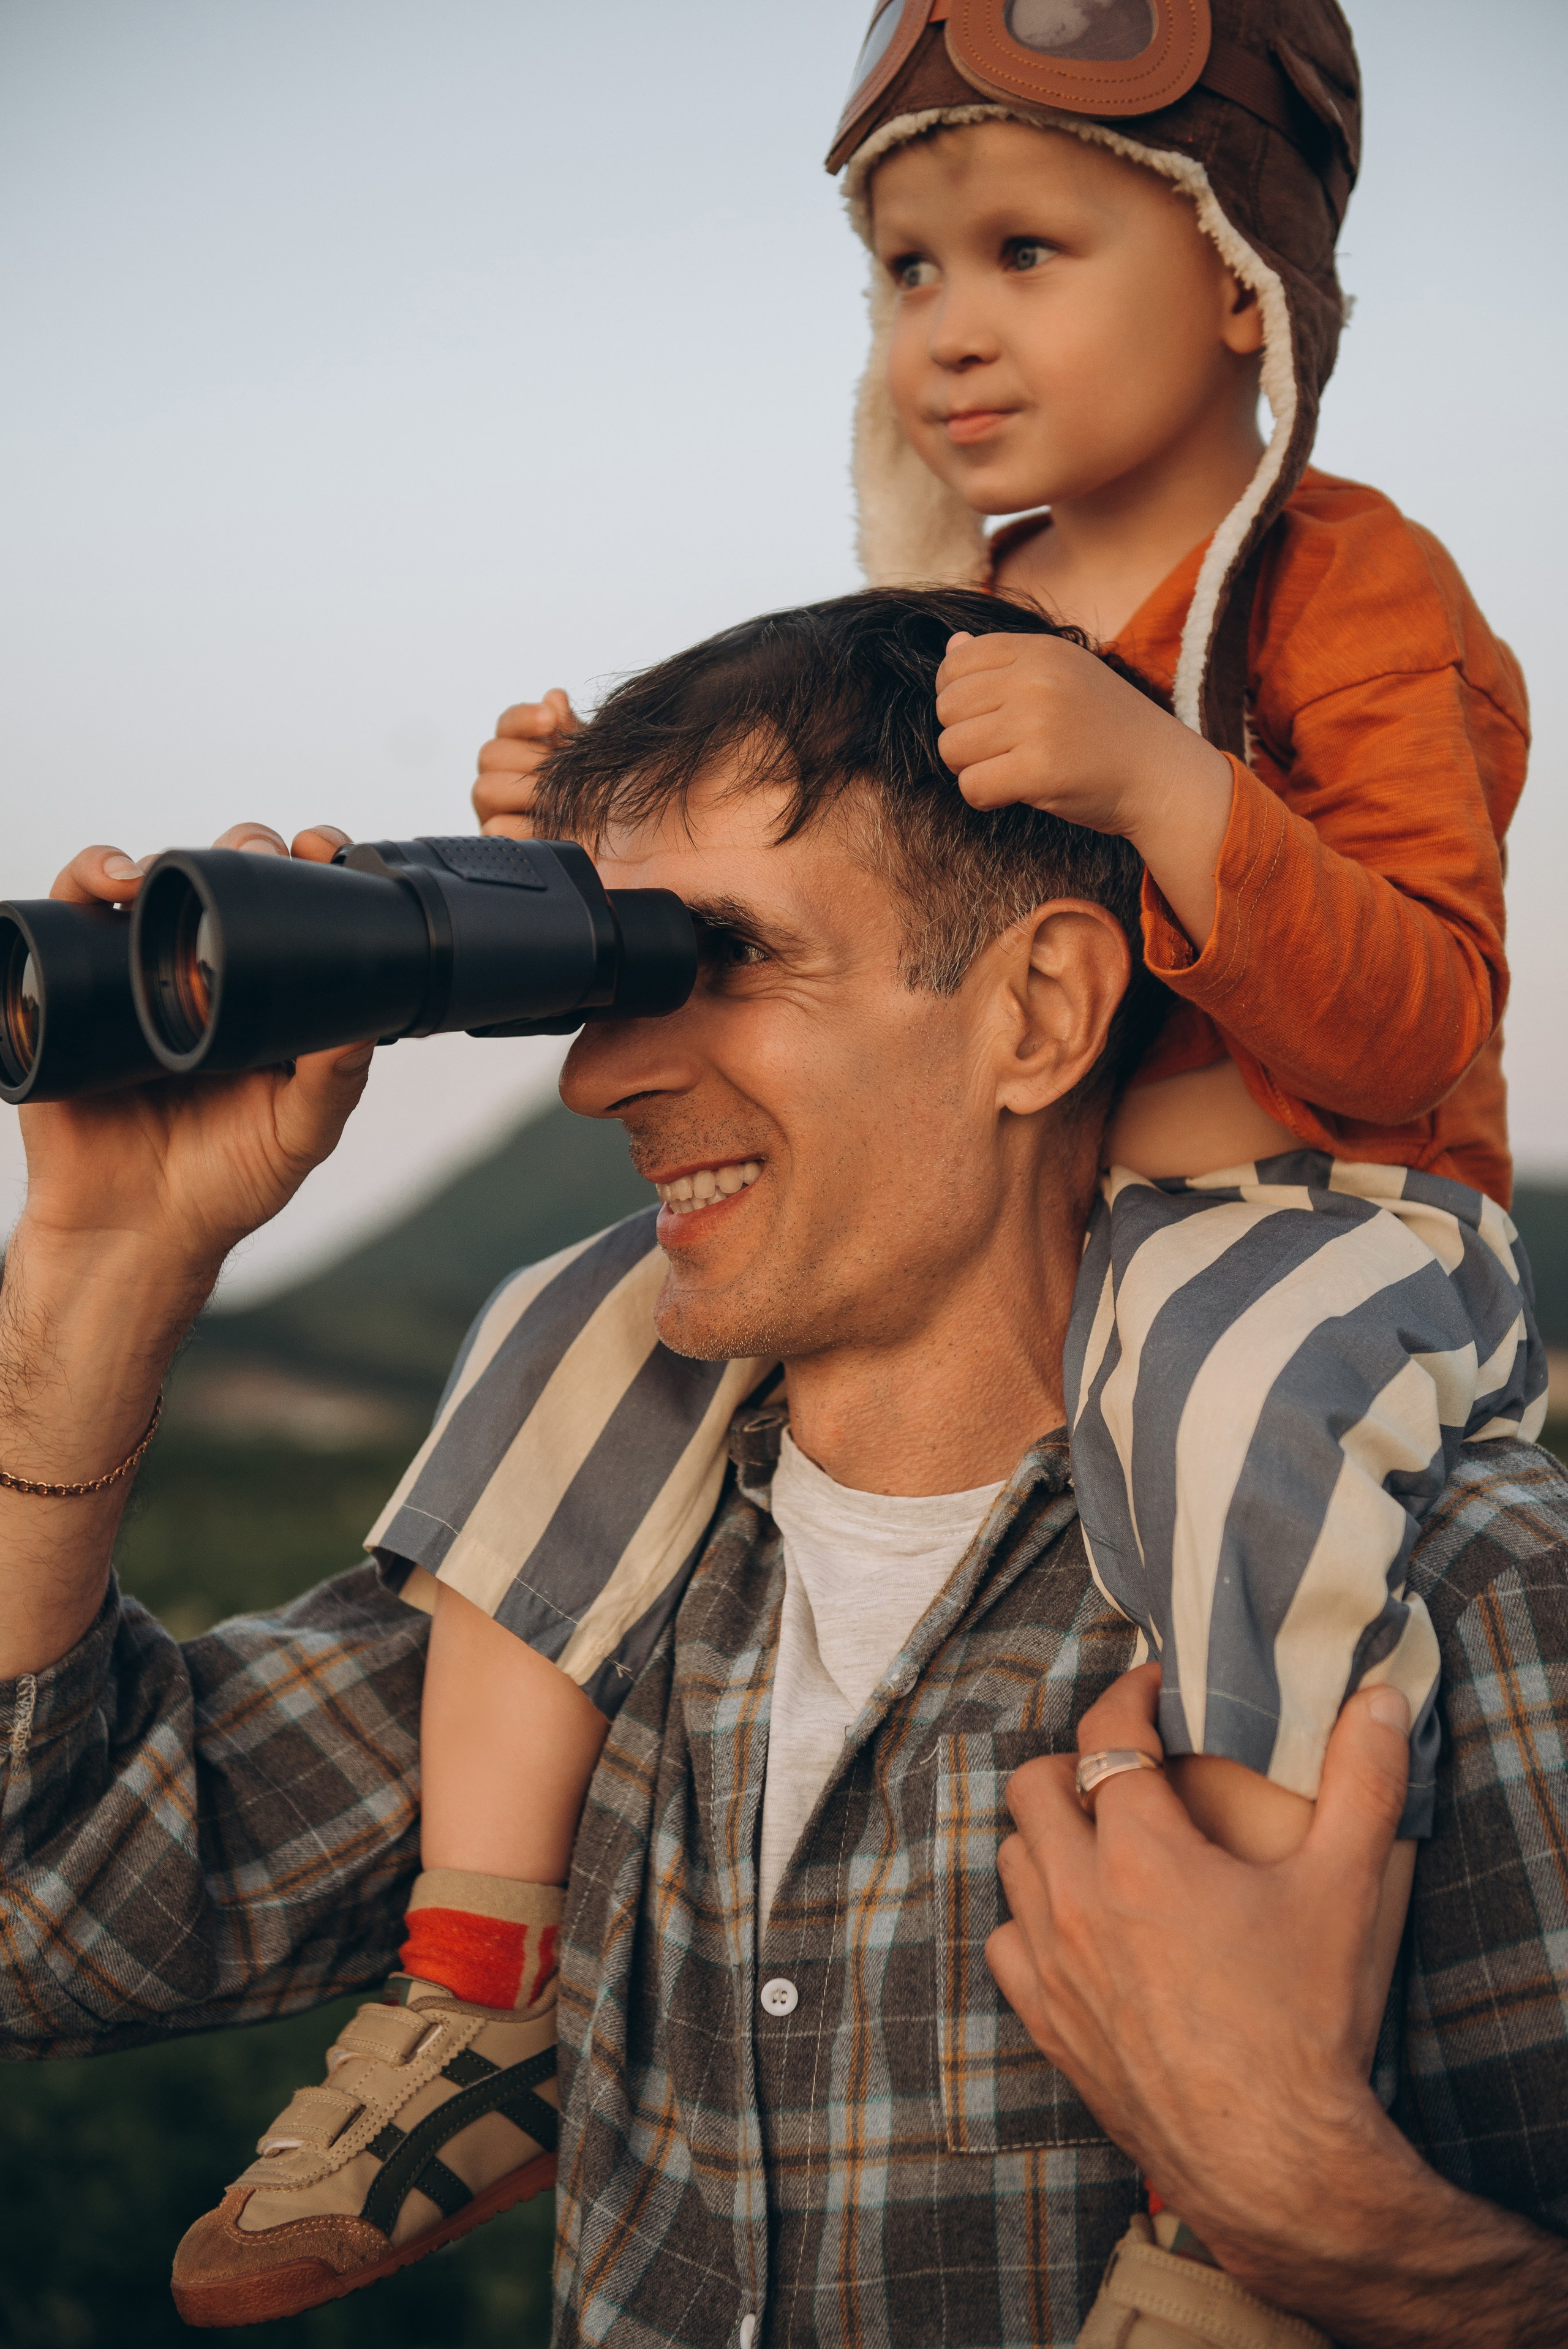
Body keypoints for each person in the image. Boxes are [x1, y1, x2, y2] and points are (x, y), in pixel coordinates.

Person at [2, 590, 1566, 2349]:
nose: (602, 1073)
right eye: (605, 970)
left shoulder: (1480, 1612)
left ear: (1040, 1008)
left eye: (723, 957)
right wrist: (98, 1273)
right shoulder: (569, 1592)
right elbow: (44, 1911)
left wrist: (1337, 2224)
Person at [387, 0, 1545, 2323]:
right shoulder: (965, 619)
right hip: (1084, 1261)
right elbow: (834, 900)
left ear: (1240, 276)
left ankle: (1227, 2172)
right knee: (567, 1324)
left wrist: (1159, 781)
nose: (952, 328)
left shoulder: (1349, 578)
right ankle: (472, 1983)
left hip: (1330, 1229)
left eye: (1025, 246)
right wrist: (581, 820)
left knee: (1218, 1406)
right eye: (906, 272)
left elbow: (1426, 1004)